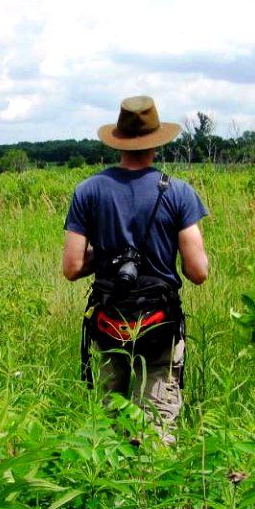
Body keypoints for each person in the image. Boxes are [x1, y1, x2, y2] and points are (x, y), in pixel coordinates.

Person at [62, 95, 209, 444]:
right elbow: (198, 271)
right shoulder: (179, 192)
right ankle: (152, 489)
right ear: (156, 142)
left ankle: (106, 489)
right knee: (156, 427)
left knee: (108, 424)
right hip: (159, 324)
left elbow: (71, 267)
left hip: (110, 321)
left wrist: (109, 255)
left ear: (119, 140)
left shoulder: (88, 191)